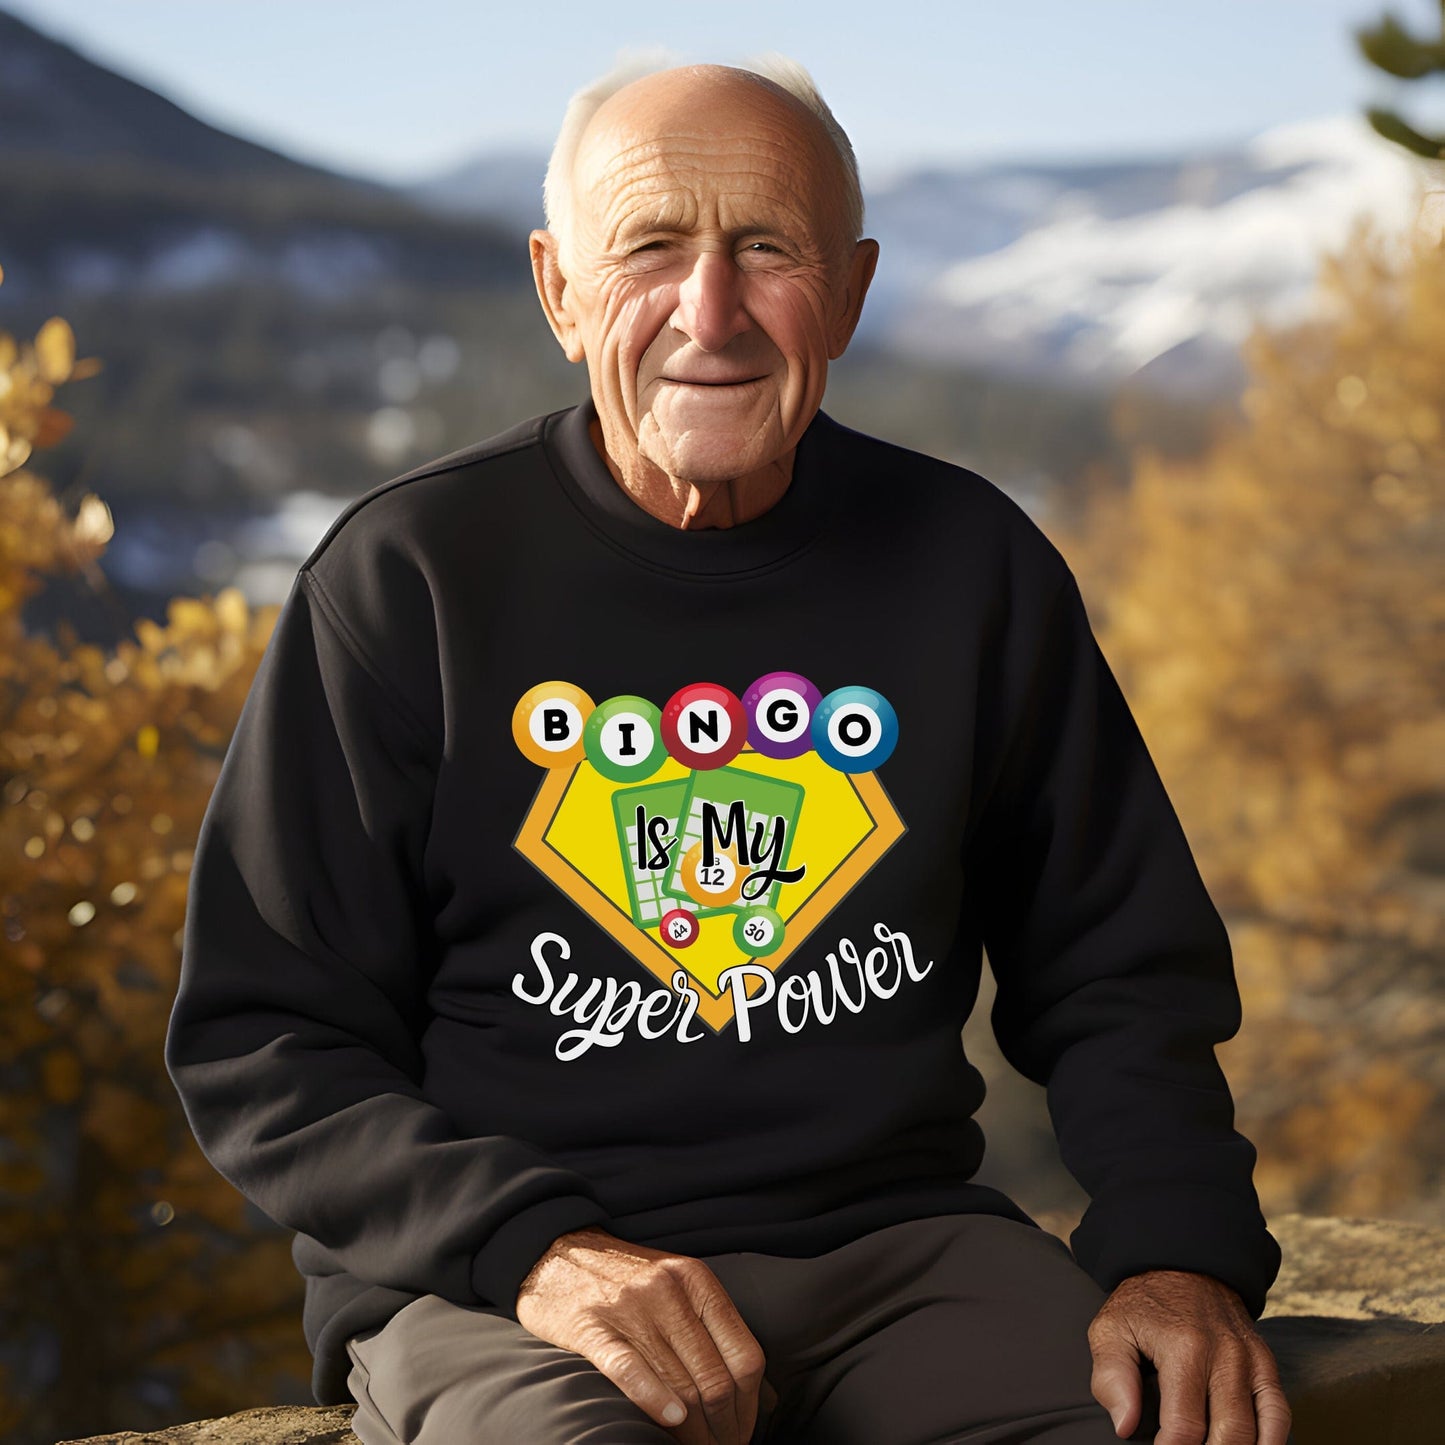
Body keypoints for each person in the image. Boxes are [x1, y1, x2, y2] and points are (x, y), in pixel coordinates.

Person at [164, 52, 1293, 1445]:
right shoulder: (406, 580)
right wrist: (533, 1248)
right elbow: (264, 1035)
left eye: (766, 248)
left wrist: (1172, 1252)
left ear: (852, 288)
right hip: (510, 1285)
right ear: (557, 289)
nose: (710, 311)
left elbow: (1118, 965)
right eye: (648, 248)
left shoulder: (970, 563)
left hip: (899, 1249)